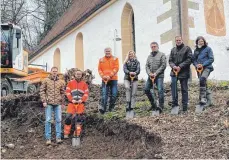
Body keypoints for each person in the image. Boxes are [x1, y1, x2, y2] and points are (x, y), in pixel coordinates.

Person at [40, 67, 65, 145]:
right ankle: (48, 139)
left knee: (58, 120)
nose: (54, 72)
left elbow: (63, 92)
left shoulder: (61, 82)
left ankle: (58, 138)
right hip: (49, 103)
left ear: (57, 72)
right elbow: (42, 91)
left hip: (58, 104)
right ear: (50, 72)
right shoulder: (46, 80)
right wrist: (44, 101)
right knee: (48, 120)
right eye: (53, 71)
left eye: (56, 71)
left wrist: (62, 101)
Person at [169, 36, 192, 114]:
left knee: (184, 89)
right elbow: (170, 60)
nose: (178, 41)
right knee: (174, 88)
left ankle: (184, 106)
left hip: (184, 72)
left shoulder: (187, 49)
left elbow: (189, 59)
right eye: (177, 40)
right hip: (174, 72)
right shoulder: (173, 50)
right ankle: (175, 105)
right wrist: (174, 66)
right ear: (175, 41)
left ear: (182, 40)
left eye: (179, 40)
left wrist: (180, 66)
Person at [64, 69, 89, 139]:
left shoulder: (84, 84)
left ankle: (77, 134)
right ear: (74, 75)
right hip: (71, 104)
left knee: (79, 119)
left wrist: (82, 100)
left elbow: (86, 93)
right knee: (68, 117)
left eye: (80, 74)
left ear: (81, 75)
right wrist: (72, 100)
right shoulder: (70, 83)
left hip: (80, 104)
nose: (78, 75)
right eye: (77, 74)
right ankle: (66, 133)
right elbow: (68, 92)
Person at [145, 42, 167, 114]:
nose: (153, 48)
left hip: (159, 76)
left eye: (155, 46)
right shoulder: (149, 56)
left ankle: (161, 106)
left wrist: (156, 73)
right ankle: (153, 104)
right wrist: (149, 73)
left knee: (160, 90)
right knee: (146, 89)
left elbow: (163, 65)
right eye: (152, 47)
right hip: (150, 76)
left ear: (158, 47)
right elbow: (146, 66)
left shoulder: (162, 55)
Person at [192, 36, 214, 107]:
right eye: (199, 41)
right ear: (197, 42)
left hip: (207, 68)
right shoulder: (196, 51)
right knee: (203, 83)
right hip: (199, 69)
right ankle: (209, 101)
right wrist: (196, 65)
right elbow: (194, 60)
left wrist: (203, 65)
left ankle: (203, 98)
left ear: (204, 42)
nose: (200, 42)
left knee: (203, 79)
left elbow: (211, 59)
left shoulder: (208, 49)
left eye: (202, 41)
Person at [98, 47, 119, 114]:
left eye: (109, 51)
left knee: (114, 94)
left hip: (113, 79)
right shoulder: (101, 60)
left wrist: (109, 76)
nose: (108, 52)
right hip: (104, 80)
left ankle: (111, 108)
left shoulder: (115, 59)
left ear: (111, 51)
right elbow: (99, 69)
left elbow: (116, 68)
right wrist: (103, 76)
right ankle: (103, 109)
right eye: (106, 51)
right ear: (104, 52)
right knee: (104, 95)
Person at [123, 50, 140, 115]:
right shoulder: (126, 62)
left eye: (132, 54)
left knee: (133, 94)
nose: (131, 55)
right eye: (130, 54)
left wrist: (135, 73)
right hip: (127, 78)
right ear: (128, 55)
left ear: (134, 55)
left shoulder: (137, 62)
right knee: (127, 88)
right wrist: (129, 72)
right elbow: (124, 69)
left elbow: (138, 70)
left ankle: (132, 108)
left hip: (135, 79)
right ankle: (128, 105)